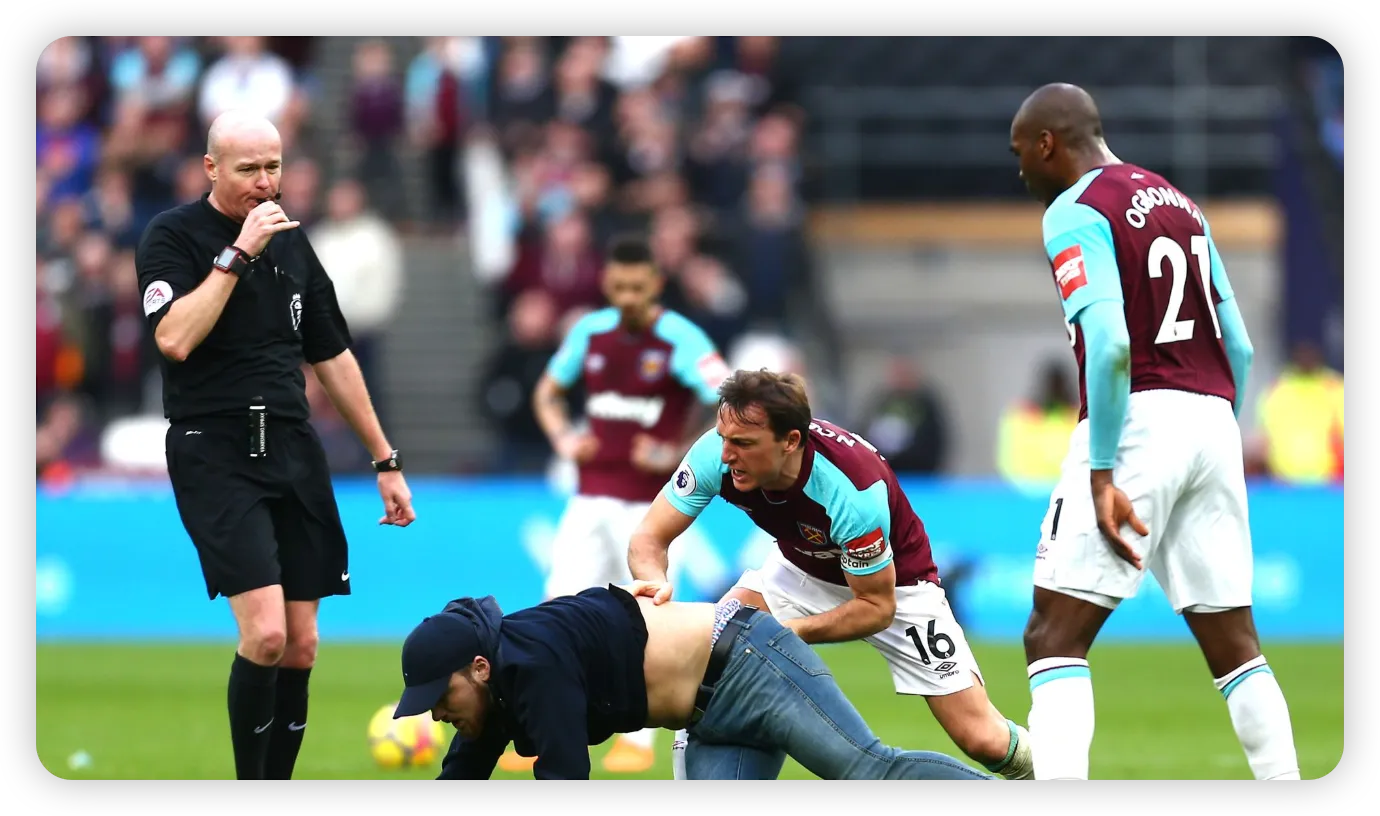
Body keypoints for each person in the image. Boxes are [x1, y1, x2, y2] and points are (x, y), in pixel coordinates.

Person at [1007, 82, 1300, 780]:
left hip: (1138, 419)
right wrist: (1210, 434)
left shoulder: (1074, 211)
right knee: (1236, 645)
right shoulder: (1180, 204)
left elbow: (1108, 345)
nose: (1020, 170)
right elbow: (1244, 347)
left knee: (1054, 636)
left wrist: (1105, 470)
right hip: (1212, 419)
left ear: (1048, 144)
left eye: (1020, 153)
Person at [134, 109, 417, 781]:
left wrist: (385, 460)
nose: (265, 184)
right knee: (264, 635)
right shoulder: (171, 235)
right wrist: (238, 254)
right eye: (248, 170)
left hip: (291, 444)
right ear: (210, 169)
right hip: (214, 446)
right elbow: (173, 339)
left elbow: (332, 355)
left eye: (274, 167)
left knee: (302, 646)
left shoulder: (295, 243)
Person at [626, 368, 1034, 781]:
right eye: (724, 438)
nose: (727, 454)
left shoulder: (851, 489)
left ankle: (1055, 767)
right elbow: (648, 540)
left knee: (982, 738)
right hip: (797, 569)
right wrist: (655, 586)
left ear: (790, 442)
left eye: (743, 444)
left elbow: (876, 608)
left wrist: (784, 634)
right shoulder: (717, 451)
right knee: (707, 657)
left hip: (898, 589)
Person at [391, 584, 996, 781]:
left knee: (866, 769)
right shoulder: (494, 681)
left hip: (753, 665)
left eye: (439, 698)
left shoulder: (533, 662)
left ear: (478, 668)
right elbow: (463, 772)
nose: (438, 715)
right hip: (707, 717)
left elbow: (565, 772)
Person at [522, 232, 730, 773]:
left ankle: (639, 742)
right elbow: (546, 393)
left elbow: (729, 399)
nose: (627, 298)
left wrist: (677, 449)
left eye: (637, 287)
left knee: (647, 622)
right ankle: (543, 732)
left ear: (656, 284)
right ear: (607, 284)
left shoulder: (682, 339)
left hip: (651, 508)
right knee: (553, 613)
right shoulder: (590, 332)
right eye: (618, 287)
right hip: (589, 498)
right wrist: (565, 439)